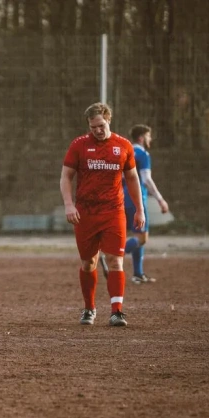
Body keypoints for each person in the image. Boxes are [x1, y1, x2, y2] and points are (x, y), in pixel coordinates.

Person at [60, 102, 145, 327]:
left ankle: (117, 311)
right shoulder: (79, 145)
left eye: (101, 125)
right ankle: (89, 309)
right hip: (85, 214)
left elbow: (133, 178)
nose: (97, 130)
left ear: (109, 120)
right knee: (88, 263)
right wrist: (69, 205)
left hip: (113, 211)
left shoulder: (124, 146)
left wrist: (139, 209)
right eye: (93, 126)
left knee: (115, 260)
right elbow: (66, 177)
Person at [119, 124, 169, 284]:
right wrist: (161, 199)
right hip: (137, 198)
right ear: (141, 138)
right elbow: (146, 179)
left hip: (122, 198)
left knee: (136, 235)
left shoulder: (125, 151)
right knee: (142, 238)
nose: (150, 139)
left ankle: (138, 273)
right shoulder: (143, 154)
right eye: (148, 136)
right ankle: (113, 255)